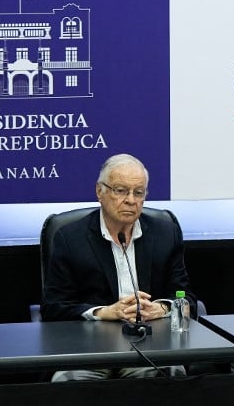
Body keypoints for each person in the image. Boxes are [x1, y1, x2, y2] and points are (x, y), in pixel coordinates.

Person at [41, 153, 196, 380]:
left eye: (138, 192)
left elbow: (186, 298)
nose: (131, 200)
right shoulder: (70, 238)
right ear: (99, 192)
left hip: (149, 347)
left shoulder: (165, 233)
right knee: (69, 380)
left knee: (169, 375)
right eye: (120, 190)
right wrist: (104, 312)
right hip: (89, 349)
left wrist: (161, 308)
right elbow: (53, 307)